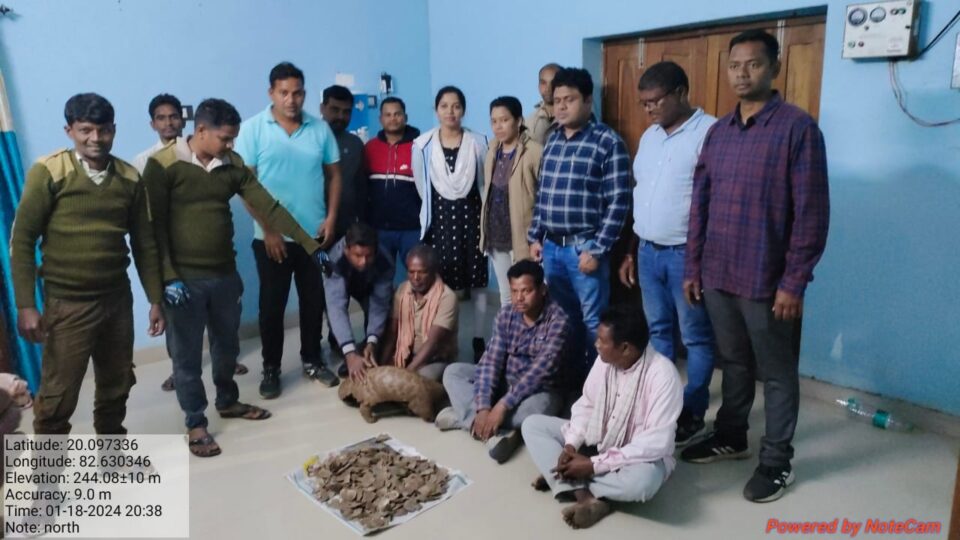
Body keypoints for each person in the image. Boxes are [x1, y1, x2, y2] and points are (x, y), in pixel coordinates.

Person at [680, 30, 830, 503]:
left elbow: (811, 213)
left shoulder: (798, 130)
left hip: (768, 281)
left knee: (778, 372)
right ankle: (731, 435)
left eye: (754, 64)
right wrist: (693, 266)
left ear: (774, 68)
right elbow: (700, 205)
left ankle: (776, 461)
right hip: (719, 273)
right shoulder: (719, 133)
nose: (742, 74)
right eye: (735, 65)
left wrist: (794, 282)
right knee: (734, 361)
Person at [143, 98, 326, 457]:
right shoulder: (162, 165)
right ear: (200, 130)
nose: (230, 146)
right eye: (225, 138)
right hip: (183, 282)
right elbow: (152, 229)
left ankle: (227, 401)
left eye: (233, 139)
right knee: (187, 357)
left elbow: (270, 206)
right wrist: (166, 280)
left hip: (225, 275)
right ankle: (196, 422)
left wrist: (310, 246)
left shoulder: (232, 164)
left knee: (227, 348)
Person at [10, 93, 165, 434]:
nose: (96, 138)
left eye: (104, 130)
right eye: (85, 130)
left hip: (117, 301)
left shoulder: (129, 177)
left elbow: (144, 243)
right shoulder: (50, 172)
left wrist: (155, 298)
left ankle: (111, 455)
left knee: (117, 384)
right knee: (58, 396)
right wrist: (26, 305)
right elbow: (21, 241)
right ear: (70, 131)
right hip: (68, 305)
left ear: (114, 130)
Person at [617, 61, 717, 446]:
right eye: (644, 103)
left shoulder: (709, 132)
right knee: (657, 331)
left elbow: (714, 202)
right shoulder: (650, 137)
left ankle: (692, 410)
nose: (649, 110)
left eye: (656, 101)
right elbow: (641, 197)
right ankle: (662, 405)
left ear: (681, 93)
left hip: (686, 256)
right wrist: (631, 251)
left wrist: (698, 262)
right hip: (647, 251)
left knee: (695, 338)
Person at [235, 62, 343, 397]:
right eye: (284, 93)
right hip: (271, 240)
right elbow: (245, 185)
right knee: (272, 306)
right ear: (271, 93)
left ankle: (313, 360)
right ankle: (271, 368)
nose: (291, 99)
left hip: (314, 238)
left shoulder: (319, 129)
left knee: (313, 301)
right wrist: (268, 230)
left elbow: (335, 176)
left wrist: (331, 218)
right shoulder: (253, 129)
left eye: (297, 93)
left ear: (304, 94)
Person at [521, 305, 683, 530]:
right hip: (598, 443)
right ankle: (587, 494)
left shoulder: (663, 376)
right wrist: (570, 445)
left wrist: (593, 465)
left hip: (636, 459)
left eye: (602, 341)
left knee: (643, 484)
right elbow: (587, 405)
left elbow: (655, 443)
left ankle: (566, 482)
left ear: (625, 348)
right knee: (533, 425)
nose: (596, 344)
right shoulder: (604, 360)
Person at [527, 67, 631, 386]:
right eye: (557, 100)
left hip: (584, 249)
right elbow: (543, 194)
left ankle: (597, 387)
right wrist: (535, 236)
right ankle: (571, 382)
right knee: (562, 320)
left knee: (593, 322)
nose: (561, 106)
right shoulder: (553, 140)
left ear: (587, 101)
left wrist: (597, 250)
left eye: (569, 100)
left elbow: (619, 202)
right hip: (552, 248)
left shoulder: (607, 142)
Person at [436, 260, 569, 464]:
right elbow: (491, 362)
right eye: (514, 291)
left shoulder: (558, 321)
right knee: (453, 373)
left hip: (539, 391)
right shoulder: (506, 315)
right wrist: (483, 407)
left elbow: (537, 375)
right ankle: (488, 426)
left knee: (537, 413)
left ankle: (464, 418)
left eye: (526, 291)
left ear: (542, 290)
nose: (519, 298)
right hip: (505, 383)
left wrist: (502, 406)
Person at [412, 86, 489, 361]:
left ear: (463, 110)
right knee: (442, 284)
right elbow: (422, 186)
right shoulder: (422, 145)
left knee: (478, 281)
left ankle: (479, 339)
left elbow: (484, 182)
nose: (450, 111)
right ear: (436, 110)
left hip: (472, 220)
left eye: (456, 106)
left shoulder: (478, 142)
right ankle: (444, 340)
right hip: (441, 222)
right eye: (444, 106)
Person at [481, 96, 543, 306]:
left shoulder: (534, 151)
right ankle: (509, 328)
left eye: (504, 120)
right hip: (496, 232)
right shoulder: (492, 149)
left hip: (522, 235)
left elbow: (543, 196)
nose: (498, 126)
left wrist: (538, 235)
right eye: (494, 121)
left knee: (527, 293)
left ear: (519, 121)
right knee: (506, 293)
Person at [325, 223, 395, 382]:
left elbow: (379, 305)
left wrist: (372, 341)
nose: (363, 261)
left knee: (380, 321)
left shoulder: (385, 261)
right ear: (346, 250)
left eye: (368, 256)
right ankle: (346, 351)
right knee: (333, 316)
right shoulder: (332, 260)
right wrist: (350, 353)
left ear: (375, 251)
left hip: (368, 287)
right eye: (357, 255)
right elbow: (336, 307)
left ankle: (366, 351)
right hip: (340, 282)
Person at [378, 244, 457, 382]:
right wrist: (381, 366)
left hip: (433, 358)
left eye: (422, 272)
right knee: (371, 362)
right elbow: (392, 333)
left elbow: (432, 342)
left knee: (416, 382)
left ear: (433, 271)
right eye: (411, 271)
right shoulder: (402, 290)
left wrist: (407, 373)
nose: (415, 277)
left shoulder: (447, 297)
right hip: (406, 352)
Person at [364, 97, 422, 270]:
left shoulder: (420, 146)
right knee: (380, 277)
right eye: (388, 115)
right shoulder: (370, 148)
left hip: (412, 228)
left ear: (405, 117)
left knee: (420, 274)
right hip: (379, 228)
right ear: (380, 119)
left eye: (397, 114)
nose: (393, 118)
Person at [320, 85, 366, 240]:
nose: (341, 116)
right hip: (314, 225)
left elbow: (361, 187)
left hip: (347, 227)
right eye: (335, 110)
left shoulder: (355, 144)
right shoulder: (308, 139)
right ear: (322, 108)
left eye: (346, 112)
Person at [133, 93, 185, 174]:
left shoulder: (196, 154)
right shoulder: (143, 161)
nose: (168, 123)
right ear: (153, 125)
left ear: (183, 122)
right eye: (161, 118)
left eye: (173, 117)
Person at [526, 63, 561, 145]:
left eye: (554, 82)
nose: (548, 88)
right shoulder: (529, 123)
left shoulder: (572, 120)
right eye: (543, 83)